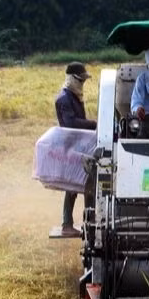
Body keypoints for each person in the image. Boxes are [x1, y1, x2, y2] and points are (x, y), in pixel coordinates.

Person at [55, 62, 96, 237]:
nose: (83, 84)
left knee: (85, 183)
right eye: (80, 80)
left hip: (78, 144)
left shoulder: (73, 96)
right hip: (71, 146)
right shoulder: (64, 99)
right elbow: (70, 123)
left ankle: (87, 222)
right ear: (72, 79)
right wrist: (92, 124)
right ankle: (68, 224)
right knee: (76, 185)